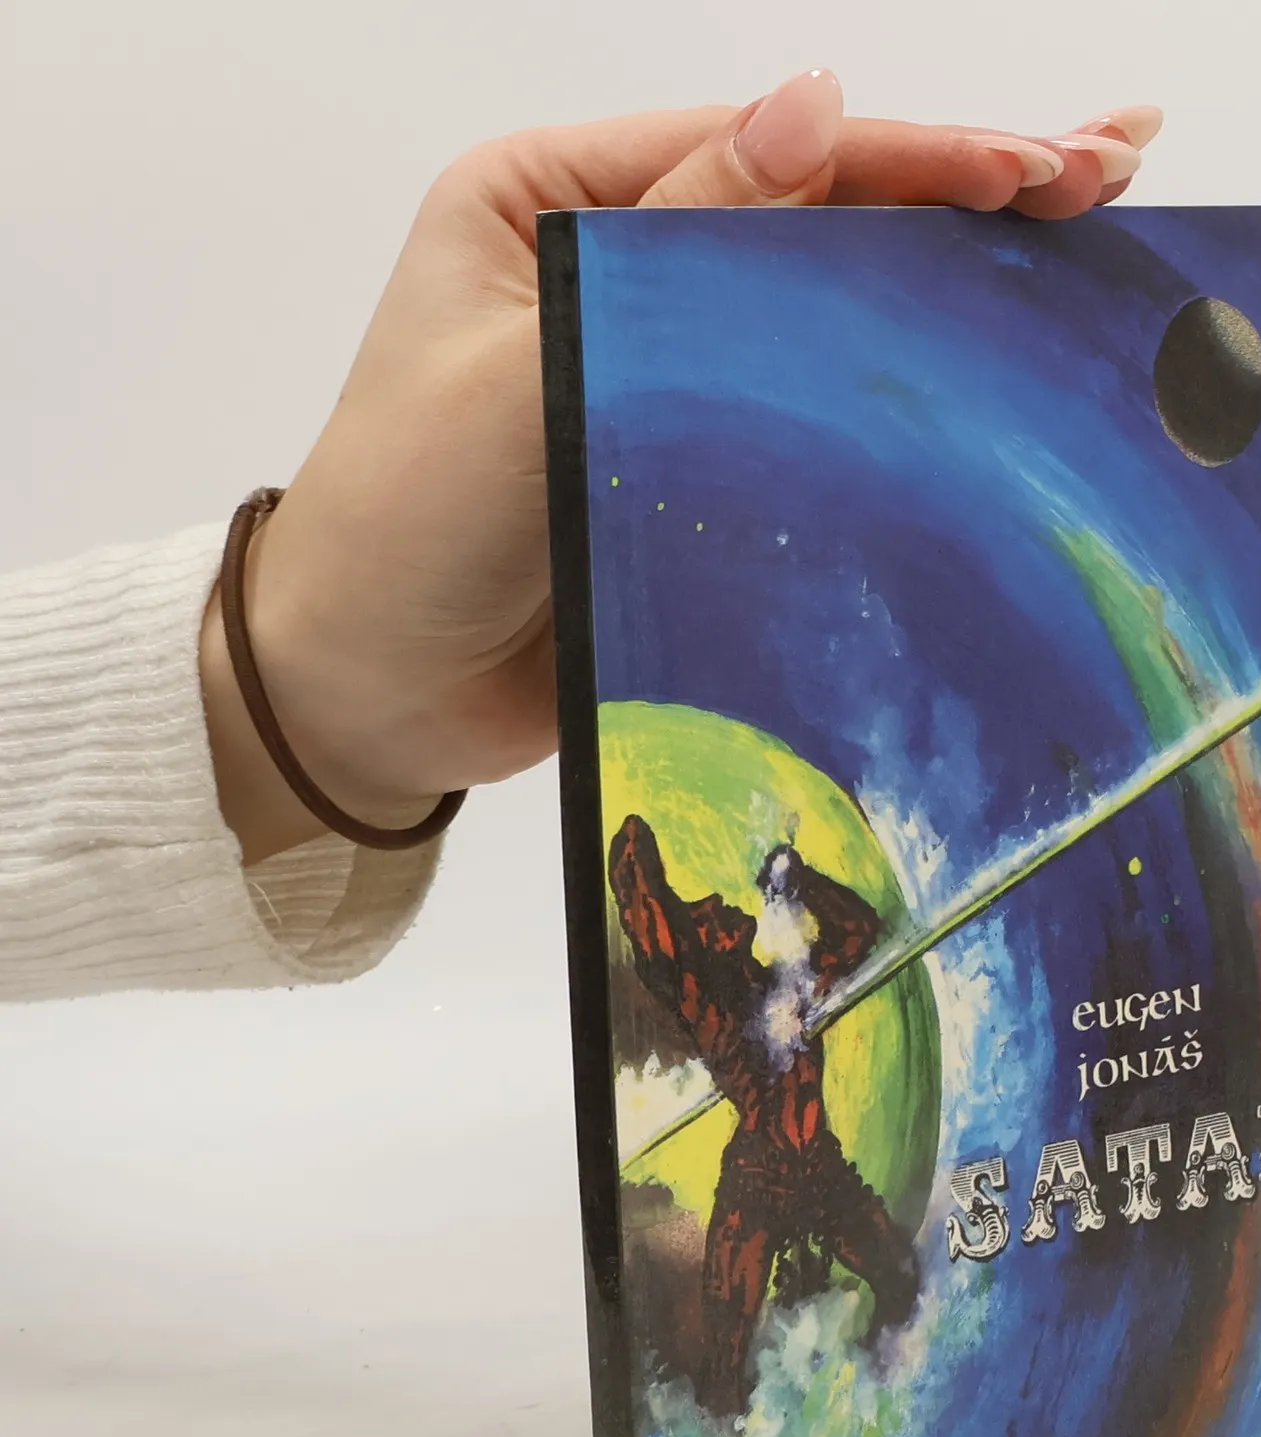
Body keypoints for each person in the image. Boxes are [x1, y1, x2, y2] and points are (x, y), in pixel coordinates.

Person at [0, 71, 1159, 1002]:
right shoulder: (726, 990)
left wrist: (306, 687)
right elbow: (673, 903)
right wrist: (305, 674)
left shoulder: (758, 975)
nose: (727, 922)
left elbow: (787, 925)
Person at [609, 814, 914, 1415]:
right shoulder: (705, 999)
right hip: (757, 1181)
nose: (716, 903)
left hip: (820, 1169)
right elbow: (645, 904)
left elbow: (859, 933)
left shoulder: (789, 984)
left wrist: (803, 882)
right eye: (702, 912)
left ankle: (883, 1388)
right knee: (725, 1358)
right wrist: (642, 858)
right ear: (702, 942)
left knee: (899, 1276)